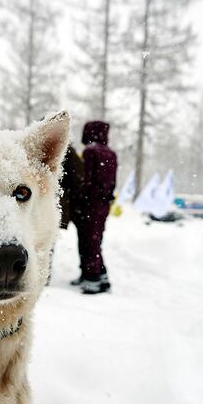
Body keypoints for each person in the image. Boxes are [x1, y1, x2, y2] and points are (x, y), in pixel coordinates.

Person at [72, 121, 117, 295]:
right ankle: (100, 276)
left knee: (88, 242)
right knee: (96, 241)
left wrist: (78, 198)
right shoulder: (111, 154)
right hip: (103, 205)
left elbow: (86, 181)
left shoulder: (90, 152)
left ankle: (91, 280)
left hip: (89, 206)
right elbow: (112, 183)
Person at [59, 145, 84, 230]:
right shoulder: (67, 150)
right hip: (59, 202)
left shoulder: (35, 144)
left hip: (37, 204)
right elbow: (78, 178)